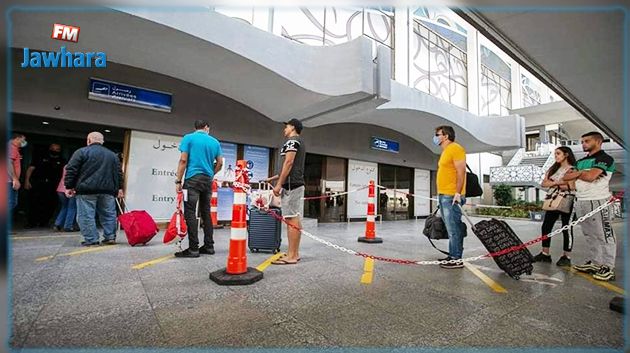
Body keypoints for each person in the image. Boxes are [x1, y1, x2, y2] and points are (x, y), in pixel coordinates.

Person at [563, 131, 617, 281]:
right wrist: (582, 173)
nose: (583, 144)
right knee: (589, 234)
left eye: (587, 141)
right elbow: (566, 178)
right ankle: (595, 262)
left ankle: (608, 266)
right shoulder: (581, 161)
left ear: (598, 141)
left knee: (605, 234)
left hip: (599, 201)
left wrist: (580, 174)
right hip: (581, 201)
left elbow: (590, 177)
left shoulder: (605, 158)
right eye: (582, 141)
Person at [174, 120, 223, 258]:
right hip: (207, 181)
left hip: (192, 180)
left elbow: (183, 160)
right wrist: (211, 173)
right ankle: (209, 246)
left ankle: (193, 248)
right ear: (207, 127)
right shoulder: (215, 142)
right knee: (206, 212)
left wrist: (178, 180)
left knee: (190, 212)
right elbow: (219, 163)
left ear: (195, 128)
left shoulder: (188, 138)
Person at [65, 132, 123, 246]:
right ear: (102, 141)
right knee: (109, 214)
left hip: (86, 190)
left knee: (86, 215)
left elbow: (71, 170)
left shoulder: (81, 152)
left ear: (89, 140)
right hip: (108, 190)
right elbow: (118, 173)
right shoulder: (112, 155)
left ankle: (91, 239)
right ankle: (110, 237)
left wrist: (69, 186)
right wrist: (119, 188)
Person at [270, 118, 306, 265]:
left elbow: (289, 162)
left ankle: (291, 256)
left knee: (291, 219)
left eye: (286, 127)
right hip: (294, 183)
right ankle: (294, 253)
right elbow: (291, 165)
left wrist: (278, 185)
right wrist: (273, 178)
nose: (284, 129)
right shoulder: (298, 142)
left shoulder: (292, 141)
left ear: (292, 127)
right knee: (294, 218)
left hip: (291, 185)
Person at [533, 147, 577, 266]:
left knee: (566, 227)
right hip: (553, 199)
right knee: (546, 225)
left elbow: (571, 186)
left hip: (568, 199)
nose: (556, 156)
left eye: (558, 153)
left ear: (566, 155)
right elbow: (544, 183)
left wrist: (553, 183)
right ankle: (545, 253)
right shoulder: (553, 169)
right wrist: (559, 182)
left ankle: (566, 256)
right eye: (555, 154)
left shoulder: (572, 169)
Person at [434, 125, 467, 269]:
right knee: (450, 228)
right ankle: (453, 254)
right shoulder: (446, 151)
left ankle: (456, 258)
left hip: (451, 195)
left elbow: (461, 172)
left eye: (437, 134)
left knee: (454, 228)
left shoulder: (455, 148)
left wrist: (458, 193)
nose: (436, 137)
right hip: (444, 194)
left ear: (446, 136)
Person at [24, 143, 65, 228]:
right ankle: (31, 222)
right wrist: (27, 181)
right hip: (38, 183)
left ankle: (44, 222)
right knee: (34, 203)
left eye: (57, 149)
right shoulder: (40, 157)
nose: (55, 151)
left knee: (50, 204)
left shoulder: (62, 160)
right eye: (53, 148)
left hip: (53, 185)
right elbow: (31, 169)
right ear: (50, 148)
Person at [54, 165, 77, 232]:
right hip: (71, 189)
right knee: (72, 208)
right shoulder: (76, 166)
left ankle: (57, 224)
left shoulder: (66, 166)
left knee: (64, 206)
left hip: (60, 189)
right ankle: (68, 226)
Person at [8, 133, 27, 211]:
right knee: (10, 203)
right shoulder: (11, 148)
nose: (24, 142)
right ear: (17, 139)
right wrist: (15, 179)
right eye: (23, 140)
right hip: (8, 181)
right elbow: (8, 162)